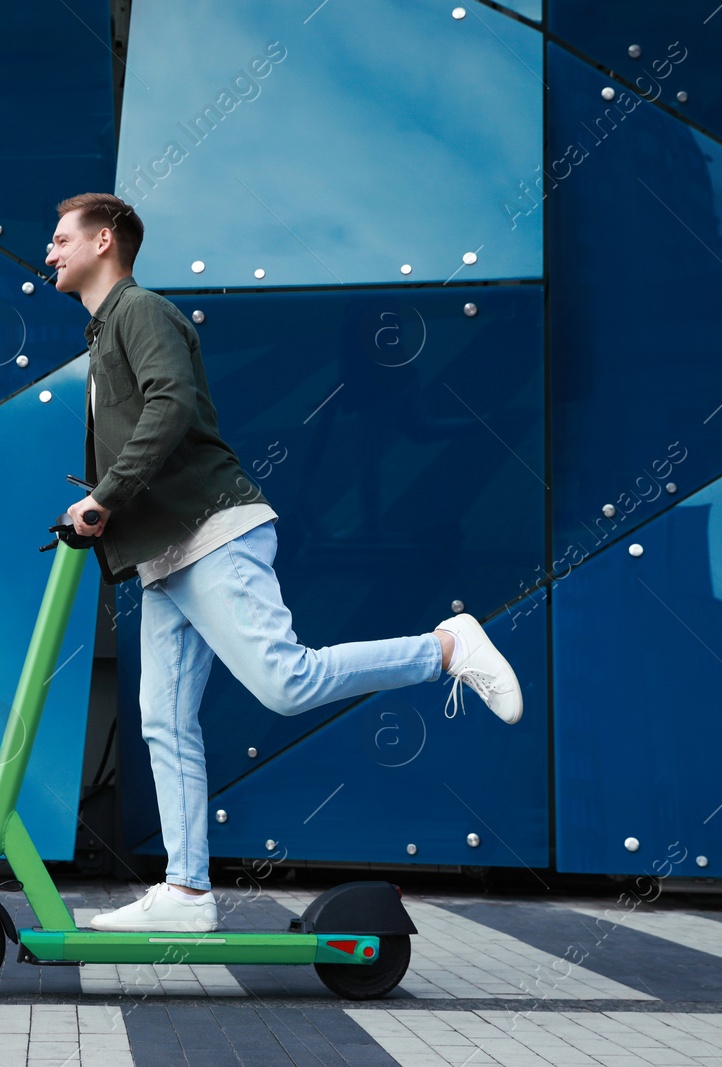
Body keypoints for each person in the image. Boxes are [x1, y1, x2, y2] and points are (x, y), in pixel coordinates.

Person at [46, 193, 522, 934]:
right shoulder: (106, 328)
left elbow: (170, 405)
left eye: (60, 238)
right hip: (165, 555)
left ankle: (448, 647)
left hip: (212, 532)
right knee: (163, 722)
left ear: (104, 241)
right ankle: (187, 892)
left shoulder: (139, 310)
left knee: (284, 680)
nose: (49, 252)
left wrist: (105, 496)